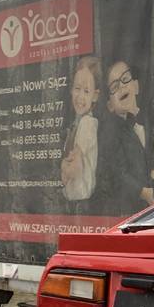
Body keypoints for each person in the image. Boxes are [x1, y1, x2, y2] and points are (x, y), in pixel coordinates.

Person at [93, 60, 154, 215]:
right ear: (110, 106)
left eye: (125, 79)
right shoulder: (111, 133)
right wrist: (142, 191)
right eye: (114, 86)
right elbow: (116, 171)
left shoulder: (152, 121)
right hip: (129, 212)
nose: (121, 86)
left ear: (136, 86)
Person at [61, 56, 101, 203]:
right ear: (71, 90)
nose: (80, 97)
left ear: (95, 96)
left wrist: (64, 169)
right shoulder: (78, 123)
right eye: (77, 89)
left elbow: (75, 167)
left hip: (80, 200)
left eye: (86, 91)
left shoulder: (87, 124)